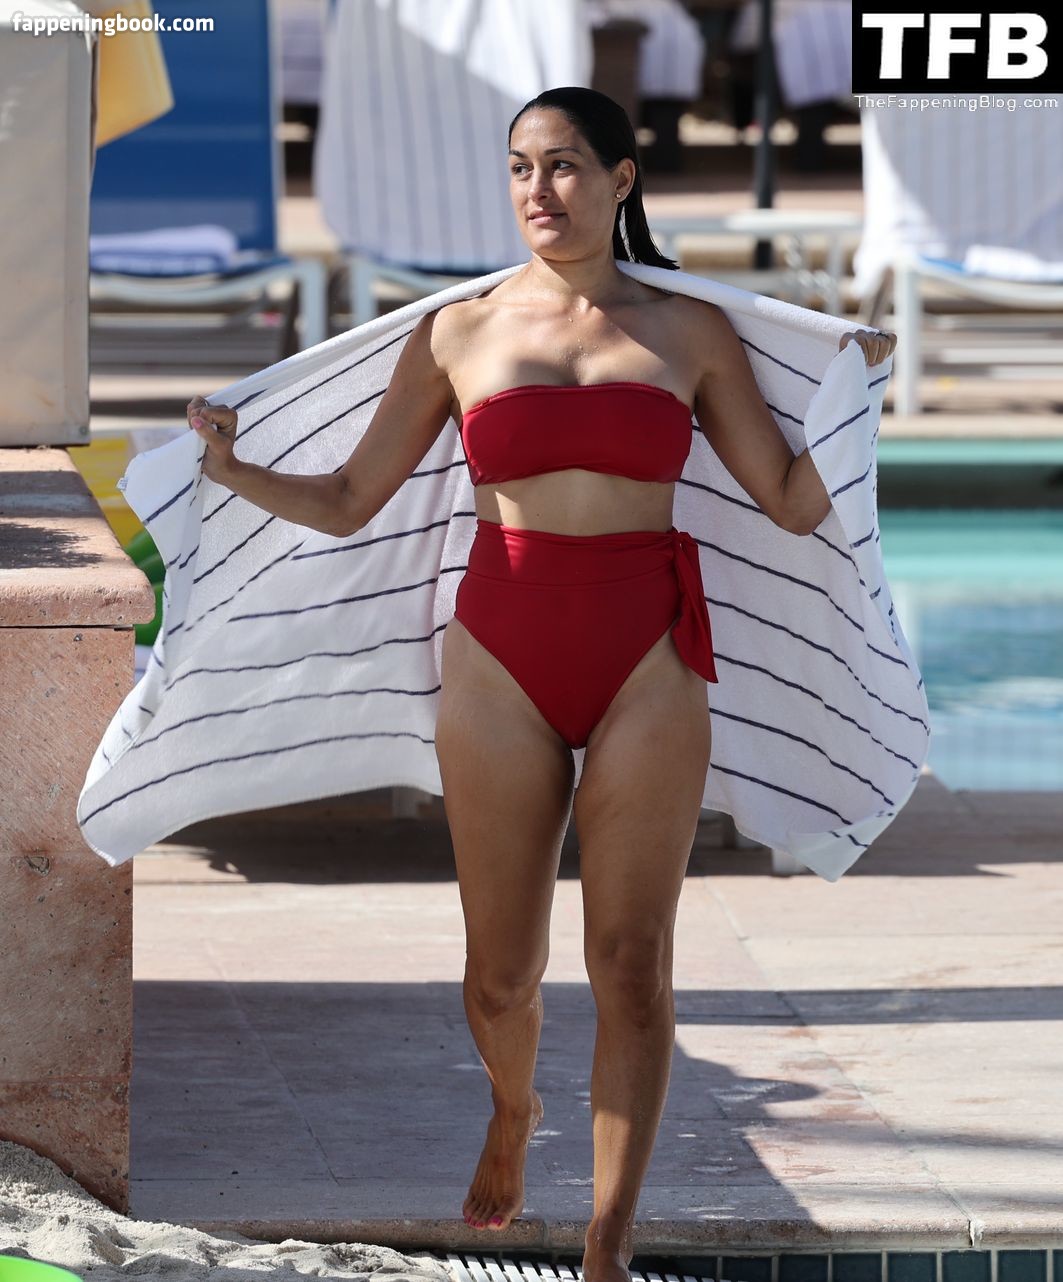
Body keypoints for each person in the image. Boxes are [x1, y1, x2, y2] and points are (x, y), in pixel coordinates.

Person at [185, 86, 895, 1282]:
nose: (538, 190)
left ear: (621, 179)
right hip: (500, 655)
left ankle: (607, 1240)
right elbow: (351, 499)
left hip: (646, 655)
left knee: (631, 961)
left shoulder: (689, 332)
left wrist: (853, 403)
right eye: (520, 167)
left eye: (563, 165)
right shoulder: (457, 333)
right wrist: (230, 468)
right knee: (500, 974)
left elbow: (786, 500)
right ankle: (513, 1106)